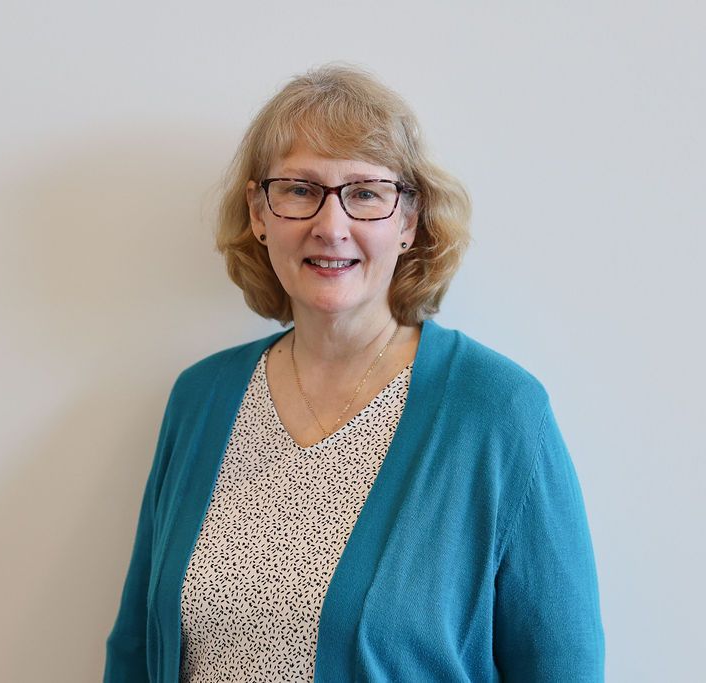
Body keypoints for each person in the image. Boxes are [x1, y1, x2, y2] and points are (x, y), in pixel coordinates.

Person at [105, 64, 604, 682]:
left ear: (408, 221)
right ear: (259, 214)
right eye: (299, 189)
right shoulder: (200, 399)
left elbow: (563, 667)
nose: (331, 225)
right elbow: (134, 647)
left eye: (365, 192)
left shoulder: (498, 411)